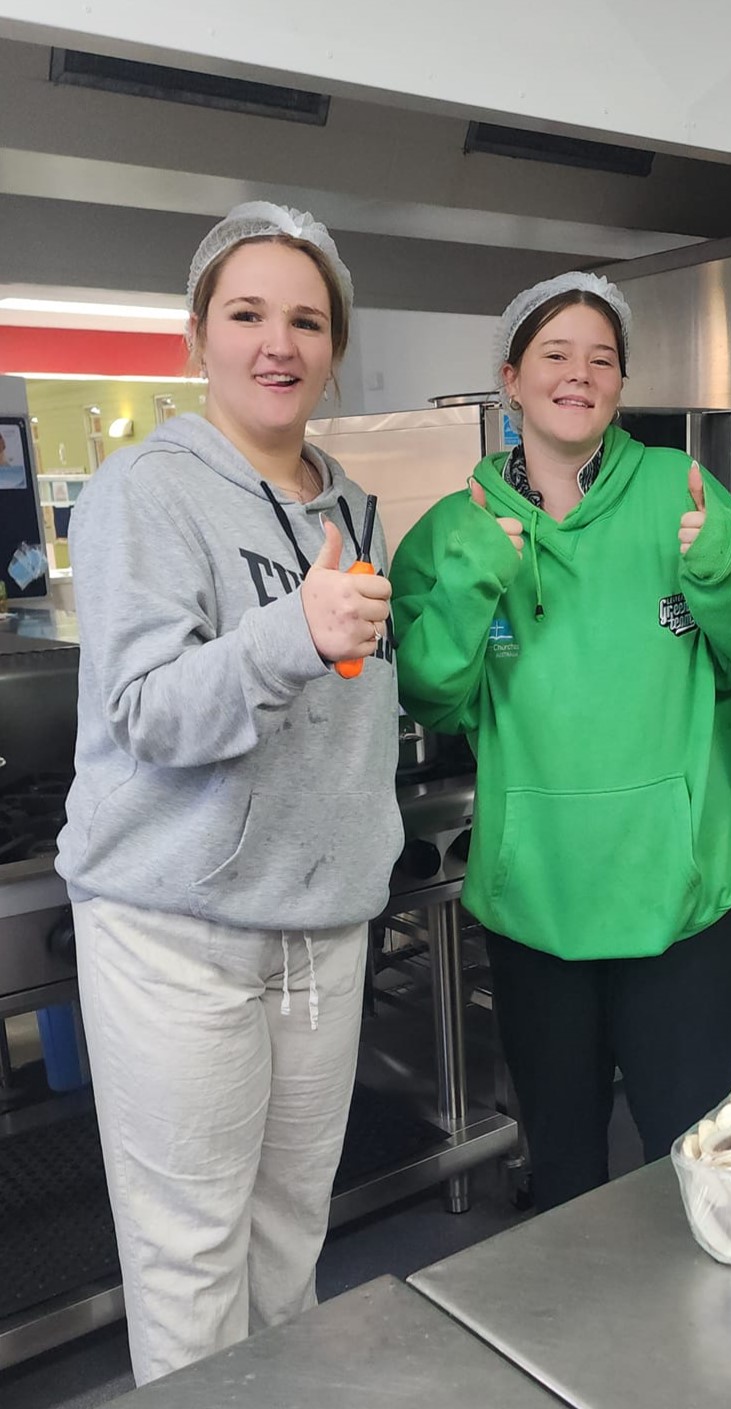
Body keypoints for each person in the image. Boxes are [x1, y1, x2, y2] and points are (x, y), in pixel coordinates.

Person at [56, 202, 402, 1384]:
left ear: (334, 346)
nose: (279, 342)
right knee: (191, 1258)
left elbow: (351, 709)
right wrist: (287, 633)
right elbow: (144, 712)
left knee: (291, 1232)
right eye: (247, 314)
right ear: (197, 334)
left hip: (319, 925)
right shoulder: (143, 492)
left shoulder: (351, 505)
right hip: (178, 931)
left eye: (307, 319)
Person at [390, 271, 731, 1210]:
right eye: (554, 356)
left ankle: (693, 1348)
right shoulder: (455, 530)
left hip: (680, 888)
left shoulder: (679, 490)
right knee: (561, 1162)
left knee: (693, 1154)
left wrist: (720, 569)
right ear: (511, 378)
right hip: (539, 898)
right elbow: (432, 694)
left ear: (619, 383)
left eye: (600, 359)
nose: (579, 375)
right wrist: (474, 581)